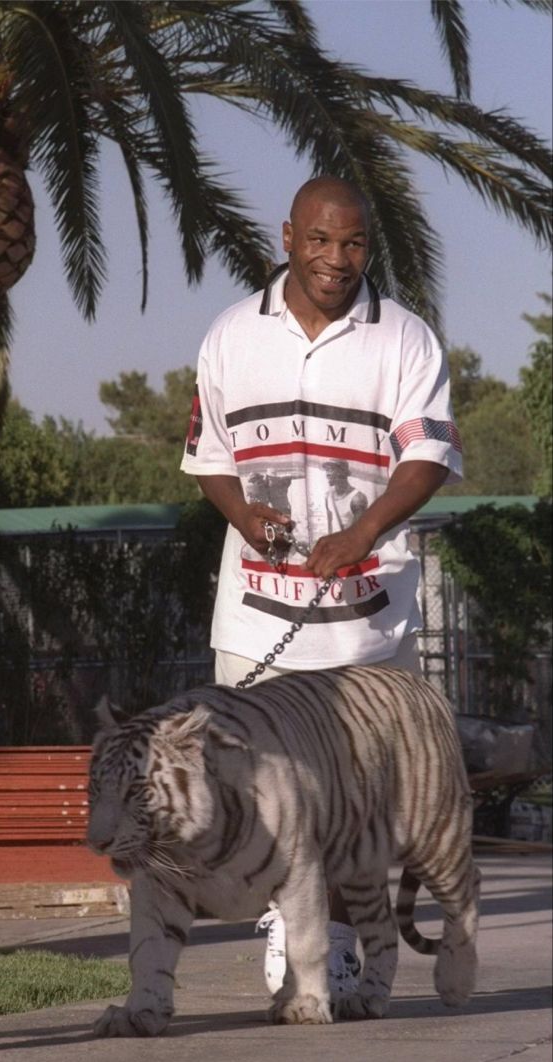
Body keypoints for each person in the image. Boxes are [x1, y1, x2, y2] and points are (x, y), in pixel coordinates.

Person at [181, 175, 462, 998]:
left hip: (366, 621)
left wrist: (363, 531)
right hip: (256, 615)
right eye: (320, 240)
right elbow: (210, 458)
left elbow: (428, 456)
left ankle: (335, 940)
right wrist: (244, 518)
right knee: (255, 785)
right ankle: (288, 924)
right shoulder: (232, 334)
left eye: (353, 243)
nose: (336, 259)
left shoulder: (405, 340)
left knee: (353, 797)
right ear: (287, 237)